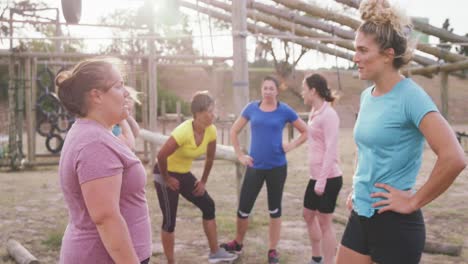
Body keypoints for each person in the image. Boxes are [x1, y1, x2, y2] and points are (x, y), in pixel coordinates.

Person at [335, 1, 466, 264]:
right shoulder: (367, 96)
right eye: (355, 50)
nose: (355, 57)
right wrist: (358, 187)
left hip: (395, 225)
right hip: (361, 215)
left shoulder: (412, 97)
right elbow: (367, 148)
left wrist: (414, 201)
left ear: (387, 54)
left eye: (362, 50)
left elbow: (454, 157)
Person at [56, 57, 152, 264]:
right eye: (119, 86)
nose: (126, 93)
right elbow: (106, 218)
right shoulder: (94, 143)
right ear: (96, 96)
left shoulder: (96, 134)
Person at [221, 76, 308, 264]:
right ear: (261, 90)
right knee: (243, 208)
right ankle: (238, 243)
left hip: (277, 168)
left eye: (271, 88)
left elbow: (305, 131)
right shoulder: (251, 108)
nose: (268, 91)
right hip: (254, 167)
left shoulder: (284, 110)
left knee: (274, 210)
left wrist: (291, 145)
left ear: (277, 91)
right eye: (265, 88)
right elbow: (234, 131)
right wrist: (240, 155)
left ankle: (272, 250)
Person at [153, 91, 237, 264]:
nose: (213, 115)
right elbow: (161, 156)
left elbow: (210, 157)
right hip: (164, 172)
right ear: (198, 113)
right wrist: (167, 178)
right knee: (170, 220)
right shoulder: (183, 132)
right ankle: (171, 262)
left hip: (182, 173)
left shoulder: (211, 131)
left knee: (208, 204)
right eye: (210, 111)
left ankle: (215, 253)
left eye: (214, 110)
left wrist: (203, 181)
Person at [301, 73, 343, 264]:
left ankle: (328, 261)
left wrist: (322, 180)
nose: (302, 92)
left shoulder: (329, 115)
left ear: (313, 90)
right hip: (315, 176)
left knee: (325, 222)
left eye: (304, 89)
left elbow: (330, 150)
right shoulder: (314, 111)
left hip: (329, 178)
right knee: (308, 215)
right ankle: (316, 258)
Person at [112, 86, 141, 151]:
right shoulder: (112, 125)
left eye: (130, 98)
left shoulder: (127, 119)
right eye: (124, 97)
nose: (127, 100)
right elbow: (129, 146)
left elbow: (136, 132)